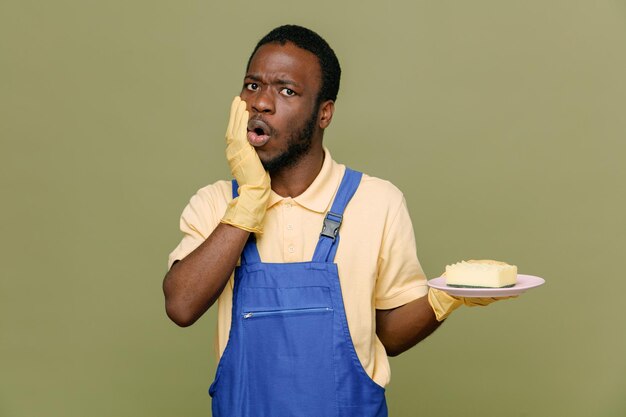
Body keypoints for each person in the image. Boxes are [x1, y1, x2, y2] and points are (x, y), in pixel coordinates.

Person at [163, 24, 502, 417]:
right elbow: (182, 305)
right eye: (252, 86)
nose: (262, 103)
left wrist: (445, 297)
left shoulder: (377, 202)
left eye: (286, 90)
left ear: (324, 112)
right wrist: (250, 200)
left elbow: (387, 334)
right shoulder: (216, 203)